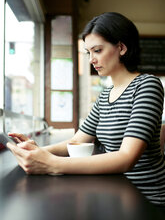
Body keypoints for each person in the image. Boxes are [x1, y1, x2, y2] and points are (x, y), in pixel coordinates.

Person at [7, 12, 165, 206]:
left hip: (147, 199)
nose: (91, 59)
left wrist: (52, 164)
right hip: (117, 191)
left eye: (97, 50)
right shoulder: (105, 95)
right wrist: (35, 151)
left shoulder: (147, 85)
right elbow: (76, 141)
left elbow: (126, 158)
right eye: (88, 52)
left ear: (121, 48)